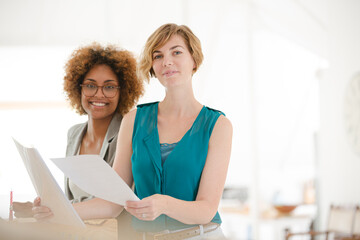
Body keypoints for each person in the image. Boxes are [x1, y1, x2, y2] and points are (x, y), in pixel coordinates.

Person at [33, 24, 232, 240]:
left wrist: (164, 204)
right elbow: (112, 203)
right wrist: (56, 210)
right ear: (152, 67)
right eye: (158, 56)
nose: (166, 61)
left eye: (176, 52)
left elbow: (207, 209)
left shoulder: (218, 125)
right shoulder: (134, 120)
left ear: (194, 59)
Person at [13, 43, 143, 222]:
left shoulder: (128, 132)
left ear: (123, 92)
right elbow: (74, 199)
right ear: (78, 89)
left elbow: (115, 203)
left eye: (109, 87)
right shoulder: (74, 134)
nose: (99, 94)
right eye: (90, 85)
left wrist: (58, 210)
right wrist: (41, 208)